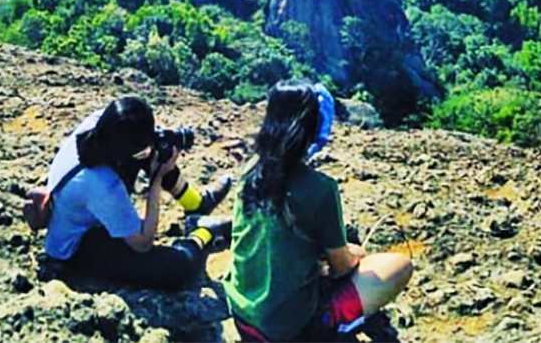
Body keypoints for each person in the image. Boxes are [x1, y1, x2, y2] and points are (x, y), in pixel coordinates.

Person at [224, 81, 413, 342]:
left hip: (243, 315)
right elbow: (341, 267)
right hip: (286, 328)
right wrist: (354, 253)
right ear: (311, 129)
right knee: (399, 265)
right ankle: (330, 324)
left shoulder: (249, 171)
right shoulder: (321, 188)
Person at [42, 95, 233, 290]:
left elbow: (133, 135)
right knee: (180, 268)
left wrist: (158, 142)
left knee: (152, 152)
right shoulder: (104, 185)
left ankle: (196, 204)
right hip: (78, 247)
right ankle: (203, 232)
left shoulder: (99, 126)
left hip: (83, 210)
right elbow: (143, 242)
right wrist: (156, 179)